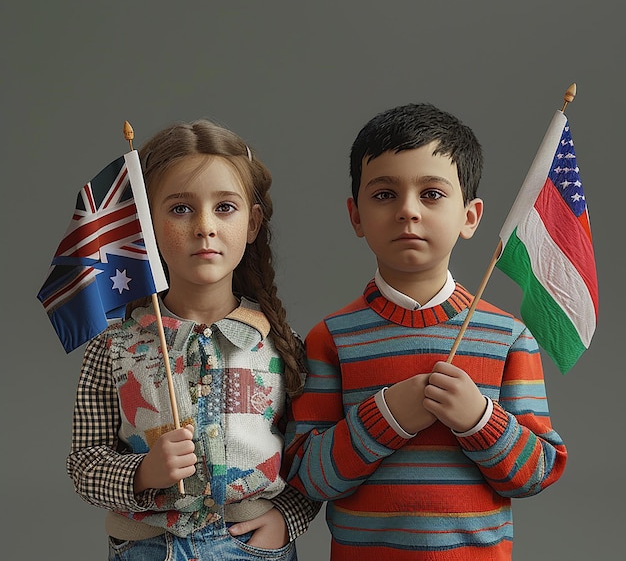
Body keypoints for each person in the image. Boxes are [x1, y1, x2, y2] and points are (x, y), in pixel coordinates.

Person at [283, 103, 567, 560]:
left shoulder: (509, 337)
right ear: (356, 216)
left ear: (470, 217)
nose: (407, 211)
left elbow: (537, 472)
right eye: (384, 195)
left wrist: (479, 419)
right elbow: (307, 475)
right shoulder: (330, 339)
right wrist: (387, 417)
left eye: (432, 194)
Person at [67, 119, 319, 560]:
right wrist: (141, 473)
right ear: (146, 225)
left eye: (225, 208)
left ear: (253, 223)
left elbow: (314, 456)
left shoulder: (279, 345)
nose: (205, 226)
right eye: (180, 209)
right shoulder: (114, 349)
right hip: (146, 548)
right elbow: (84, 462)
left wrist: (288, 518)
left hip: (252, 546)